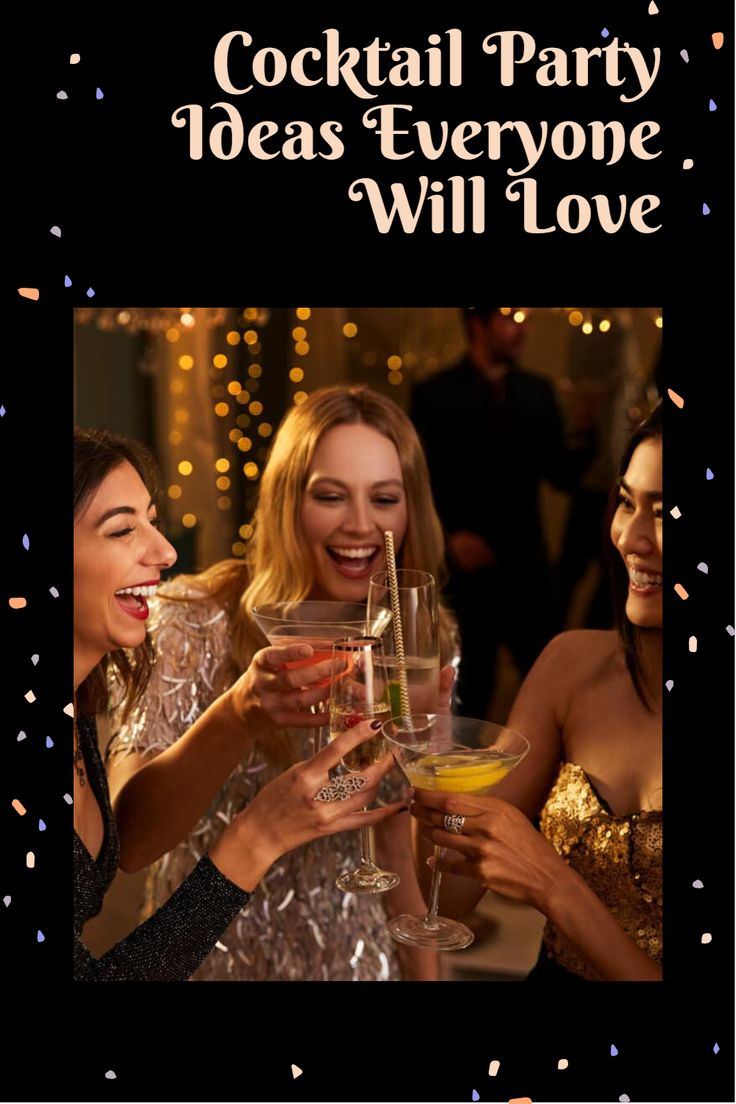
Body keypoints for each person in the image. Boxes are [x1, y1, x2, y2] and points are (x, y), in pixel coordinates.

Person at [107, 386, 456, 981]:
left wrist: (429, 770)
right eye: (329, 496)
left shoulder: (421, 641)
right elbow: (132, 844)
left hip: (363, 965)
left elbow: (401, 859)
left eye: (385, 498)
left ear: (409, 510)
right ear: (286, 502)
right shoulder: (189, 618)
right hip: (214, 965)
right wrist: (241, 710)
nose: (361, 525)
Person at [411, 404, 662, 981]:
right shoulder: (570, 666)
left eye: (665, 511)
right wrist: (426, 754)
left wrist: (552, 885)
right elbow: (448, 896)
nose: (632, 537)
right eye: (626, 502)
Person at [410, 307, 591, 721]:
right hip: (466, 575)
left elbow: (563, 475)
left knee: (550, 686)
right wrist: (450, 538)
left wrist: (586, 430)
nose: (521, 327)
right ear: (478, 324)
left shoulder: (537, 392)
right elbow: (417, 484)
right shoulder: (434, 395)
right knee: (467, 694)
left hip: (526, 567)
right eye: (509, 317)